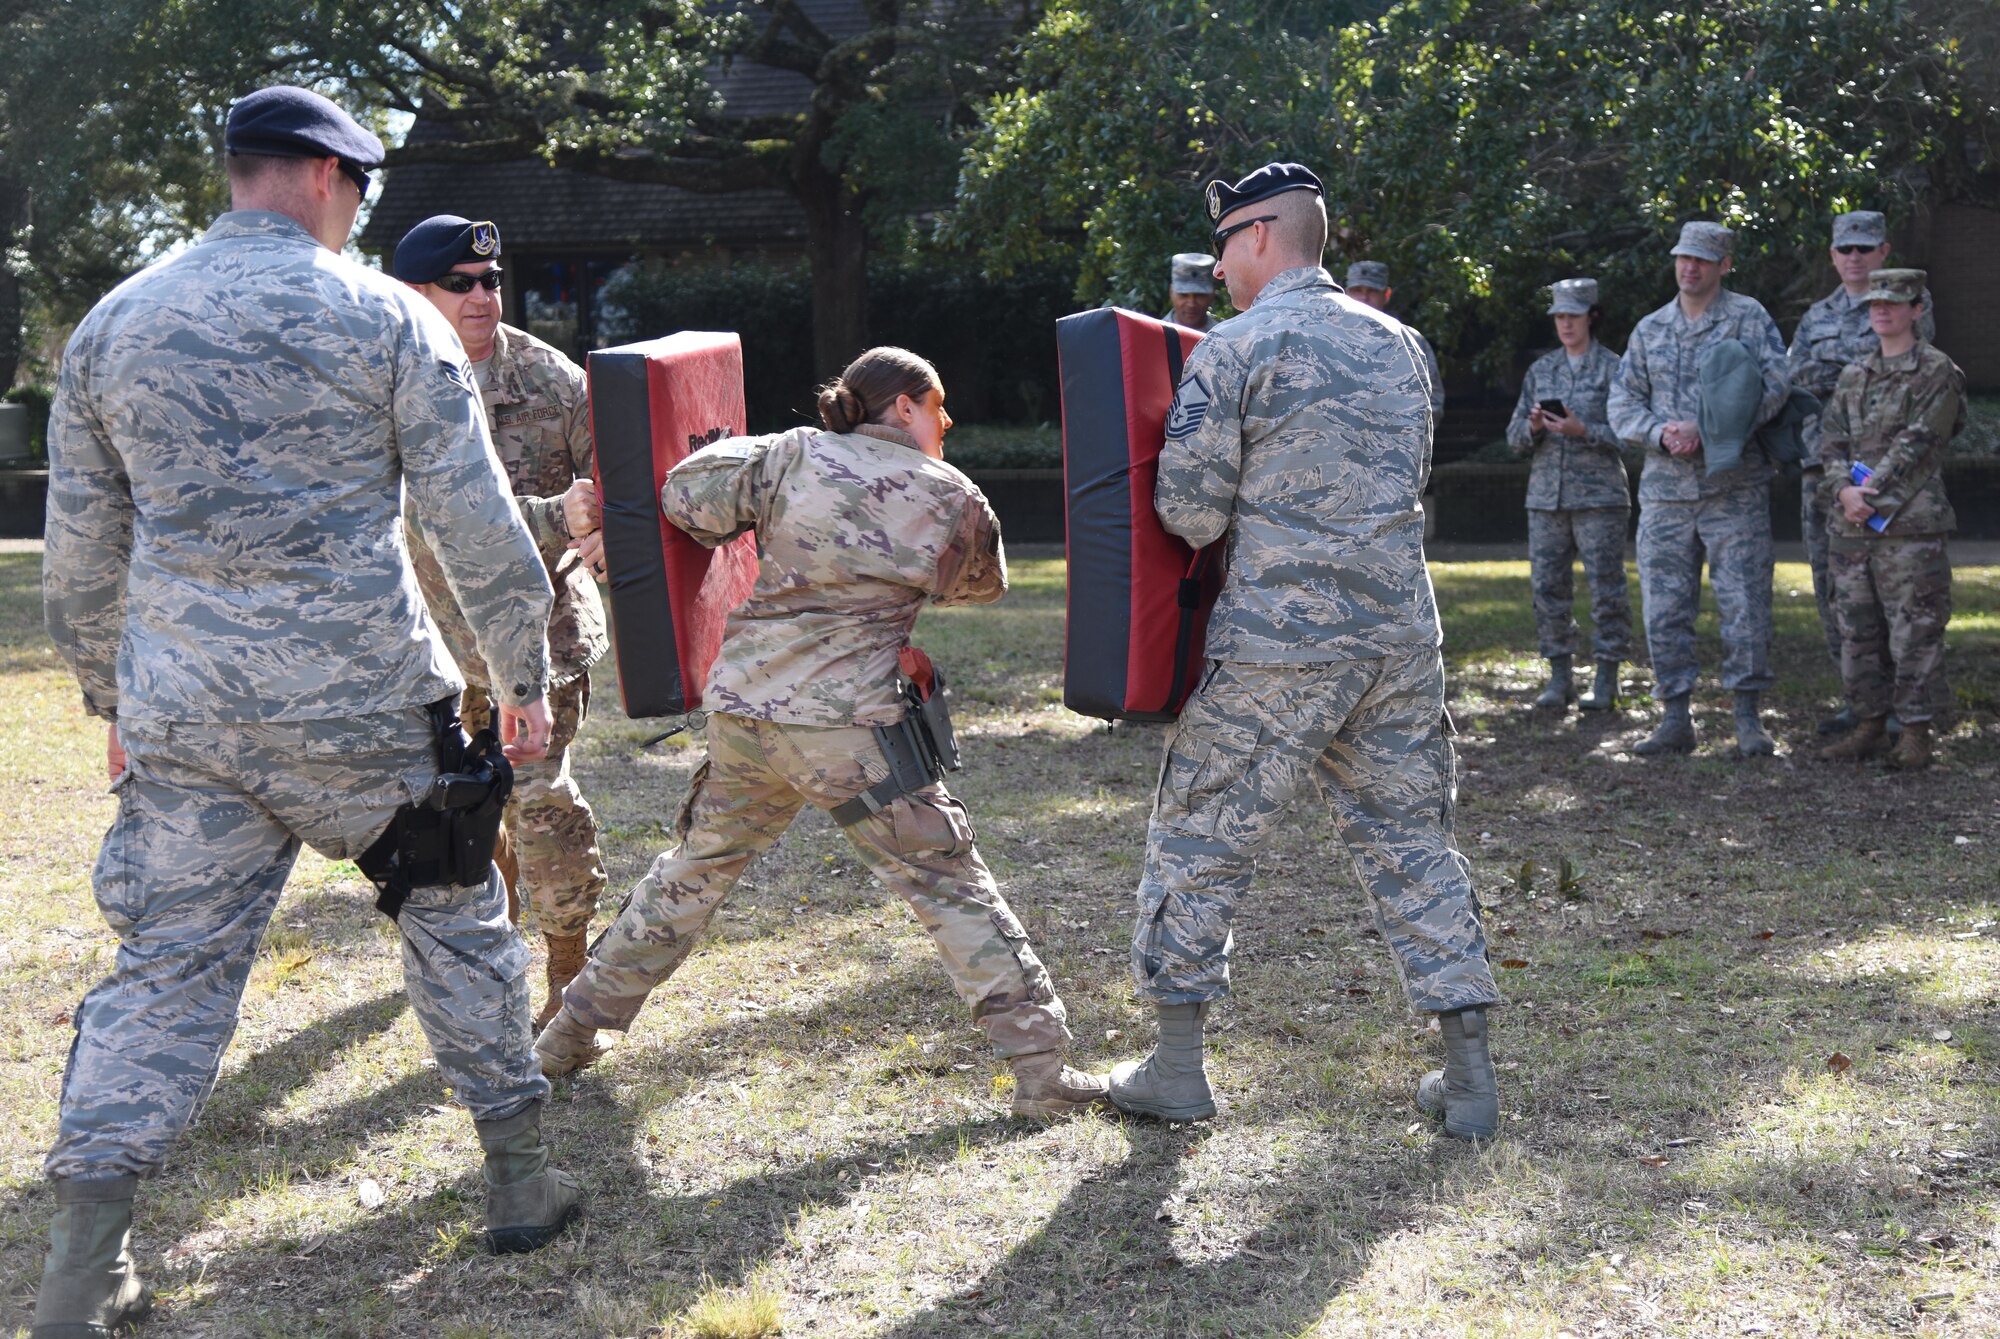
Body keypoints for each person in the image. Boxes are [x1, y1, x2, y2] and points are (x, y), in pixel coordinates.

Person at [31, 86, 581, 1335]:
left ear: (242, 173)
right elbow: (477, 520)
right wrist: (522, 680)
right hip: (367, 713)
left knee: (164, 970)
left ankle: (80, 1271)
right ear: (333, 178)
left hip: (189, 716)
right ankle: (519, 1183)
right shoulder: (386, 315)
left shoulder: (113, 325)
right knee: (454, 920)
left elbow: (77, 557)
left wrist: (113, 689)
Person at [533, 346, 1108, 1118]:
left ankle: (565, 1038)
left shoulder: (788, 453)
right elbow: (981, 582)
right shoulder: (949, 493)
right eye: (938, 406)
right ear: (903, 405)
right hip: (851, 733)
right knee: (948, 884)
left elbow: (682, 496)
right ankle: (1043, 1070)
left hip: (745, 714)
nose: (948, 421)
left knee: (690, 876)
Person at [1108, 163, 1499, 1138]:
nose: (1222, 269)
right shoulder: (1402, 344)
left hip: (1280, 646)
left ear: (1254, 239)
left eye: (1225, 248)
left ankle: (1178, 1066)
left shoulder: (1236, 348)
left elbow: (1189, 513)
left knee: (1198, 835)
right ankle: (1468, 1081)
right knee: (1414, 846)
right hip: (1398, 642)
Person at [393, 215, 610, 1029]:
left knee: (542, 800)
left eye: (491, 281)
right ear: (418, 294)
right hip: (432, 644)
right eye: (461, 283)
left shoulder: (553, 382)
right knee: (450, 807)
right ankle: (488, 930)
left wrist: (598, 529)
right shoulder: (388, 382)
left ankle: (568, 968)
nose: (484, 296)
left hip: (539, 638)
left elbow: (615, 484)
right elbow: (430, 516)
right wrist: (561, 513)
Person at [1607, 221, 1789, 758]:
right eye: (1684, 258)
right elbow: (1622, 403)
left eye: (1704, 260)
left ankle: (1748, 719)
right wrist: (1661, 433)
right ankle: (1675, 717)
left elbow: (1777, 386)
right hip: (1666, 495)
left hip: (1734, 489)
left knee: (1745, 604)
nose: (1691, 268)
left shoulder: (1748, 318)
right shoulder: (1650, 328)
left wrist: (1709, 430)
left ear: (1724, 265)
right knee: (1664, 609)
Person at [1787, 210, 1936, 736]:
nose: (1854, 258)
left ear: (1884, 252)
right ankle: (1860, 701)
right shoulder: (1815, 317)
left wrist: (1836, 373)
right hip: (1826, 472)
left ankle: (1904, 707)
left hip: (1894, 477)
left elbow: (1908, 368)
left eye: (1864, 248)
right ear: (1832, 256)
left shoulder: (1908, 300)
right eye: (1845, 249)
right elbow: (1794, 380)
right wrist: (1852, 368)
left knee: (1898, 592)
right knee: (1837, 589)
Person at [1815, 269, 1964, 771]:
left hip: (1911, 529)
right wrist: (1841, 490)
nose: (1882, 311)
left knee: (1914, 631)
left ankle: (1917, 731)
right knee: (1857, 629)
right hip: (1852, 527)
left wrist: (1867, 496)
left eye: (1894, 303)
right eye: (1876, 303)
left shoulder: (1937, 371)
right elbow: (1831, 440)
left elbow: (1918, 445)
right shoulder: (1856, 373)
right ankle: (1869, 725)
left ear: (1917, 310)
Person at [1504, 277, 1632, 711]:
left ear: (1591, 317)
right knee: (1548, 589)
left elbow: (1632, 435)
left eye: (1573, 316)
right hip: (1546, 499)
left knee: (1607, 589)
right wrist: (1535, 428)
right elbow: (1514, 437)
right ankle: (1560, 677)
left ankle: (1607, 678)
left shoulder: (1616, 369)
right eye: (1559, 316)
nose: (1565, 324)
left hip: (1600, 498)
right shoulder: (1542, 371)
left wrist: (1585, 430)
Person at [1345, 259, 1445, 415]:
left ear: (1386, 295)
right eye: (1357, 290)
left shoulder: (1409, 340)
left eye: (1372, 291)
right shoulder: (1330, 338)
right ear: (1346, 294)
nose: (1364, 297)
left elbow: (1433, 400)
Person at [1162, 252, 1218, 330]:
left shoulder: (1227, 338)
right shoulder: (1155, 335)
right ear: (1171, 292)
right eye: (1183, 295)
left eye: (1199, 295)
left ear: (1212, 294)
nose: (1191, 303)